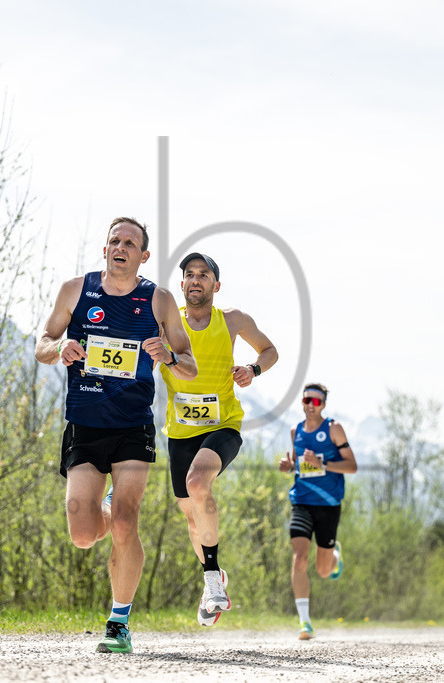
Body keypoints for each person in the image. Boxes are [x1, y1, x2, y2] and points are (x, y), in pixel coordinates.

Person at [35, 217, 197, 654]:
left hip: (132, 425)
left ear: (143, 256)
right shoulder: (76, 290)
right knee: (84, 534)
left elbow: (189, 362)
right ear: (105, 249)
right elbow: (43, 340)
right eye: (114, 241)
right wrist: (58, 348)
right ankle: (105, 506)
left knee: (126, 523)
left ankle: (119, 622)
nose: (120, 247)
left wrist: (168, 355)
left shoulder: (158, 299)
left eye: (130, 243)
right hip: (85, 424)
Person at [159, 252, 278, 627]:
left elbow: (270, 350)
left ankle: (211, 581)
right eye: (189, 275)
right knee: (193, 519)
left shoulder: (233, 320)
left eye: (204, 275)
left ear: (216, 285)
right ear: (182, 285)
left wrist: (252, 369)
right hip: (180, 431)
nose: (196, 280)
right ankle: (215, 574)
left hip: (222, 424)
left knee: (198, 482)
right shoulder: (166, 322)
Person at [278, 383, 357, 640]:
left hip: (328, 504)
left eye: (315, 401)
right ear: (301, 403)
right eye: (306, 400)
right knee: (299, 558)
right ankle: (305, 623)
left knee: (323, 571)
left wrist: (321, 462)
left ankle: (334, 556)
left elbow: (352, 466)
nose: (310, 405)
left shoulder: (333, 429)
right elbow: (299, 467)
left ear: (322, 405)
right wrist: (290, 467)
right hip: (301, 500)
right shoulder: (295, 431)